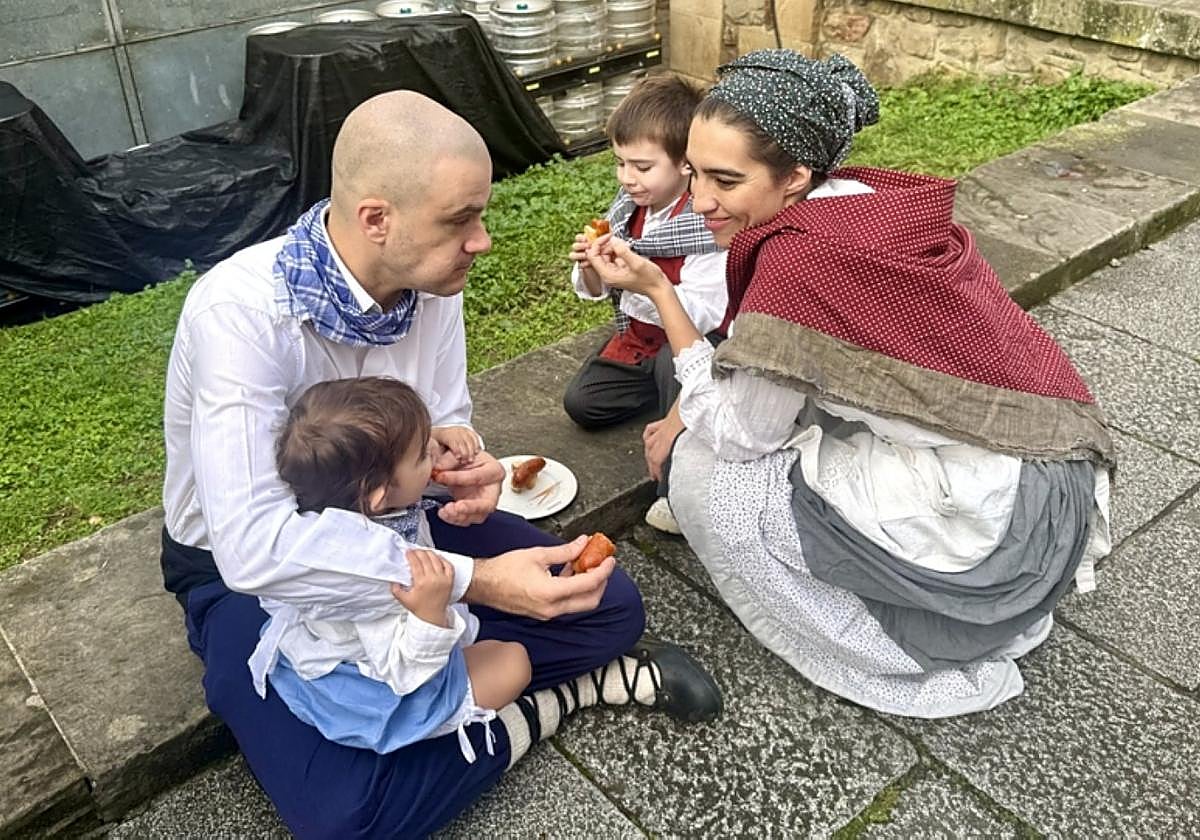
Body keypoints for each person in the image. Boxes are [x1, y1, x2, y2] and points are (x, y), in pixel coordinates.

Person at [160, 90, 721, 839]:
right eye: (462, 219)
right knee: (344, 821)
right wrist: (480, 580)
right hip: (249, 577)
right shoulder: (238, 315)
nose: (482, 240)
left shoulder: (428, 281)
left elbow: (444, 420)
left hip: (405, 525)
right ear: (376, 219)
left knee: (608, 603)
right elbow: (254, 546)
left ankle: (443, 713)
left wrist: (469, 469)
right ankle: (560, 699)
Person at [585, 50, 1114, 718]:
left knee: (704, 474)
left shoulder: (797, 262)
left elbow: (744, 434)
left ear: (795, 176)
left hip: (999, 518)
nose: (699, 201)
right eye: (692, 172)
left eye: (725, 179)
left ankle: (886, 646)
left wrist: (660, 294)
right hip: (1048, 458)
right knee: (777, 418)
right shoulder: (859, 199)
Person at [250, 376, 532, 762]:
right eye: (421, 455)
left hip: (346, 648)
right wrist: (429, 615)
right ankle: (485, 731)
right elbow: (404, 671)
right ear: (380, 495)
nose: (432, 454)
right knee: (514, 661)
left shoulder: (332, 513)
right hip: (382, 690)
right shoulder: (371, 576)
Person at [561, 74, 728, 535]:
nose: (626, 178)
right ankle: (661, 399)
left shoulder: (704, 224)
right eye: (619, 163)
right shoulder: (627, 211)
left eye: (641, 166)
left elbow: (704, 314)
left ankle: (679, 483)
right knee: (583, 404)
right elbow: (595, 290)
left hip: (691, 341)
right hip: (638, 339)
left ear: (686, 166)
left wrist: (643, 282)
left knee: (673, 367)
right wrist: (593, 268)